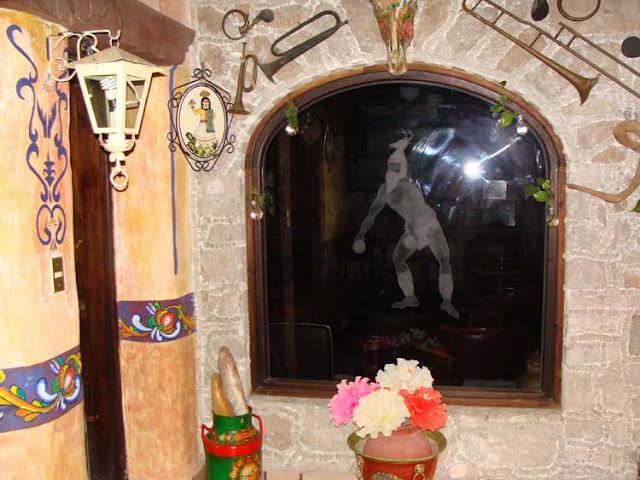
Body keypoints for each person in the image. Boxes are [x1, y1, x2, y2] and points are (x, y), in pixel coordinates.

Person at [353, 131, 459, 318]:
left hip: (428, 223)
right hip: (411, 228)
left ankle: (447, 301)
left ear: (403, 170)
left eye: (397, 168)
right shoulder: (384, 191)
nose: (392, 172)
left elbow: (415, 212)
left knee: (443, 259)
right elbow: (371, 215)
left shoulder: (409, 188)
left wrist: (414, 234)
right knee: (398, 258)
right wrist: (360, 234)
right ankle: (410, 297)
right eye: (390, 167)